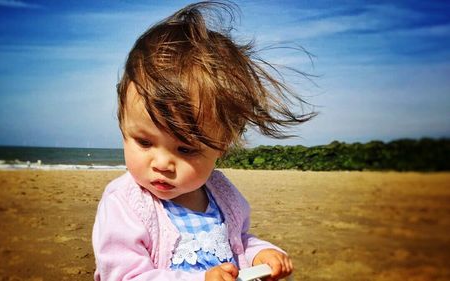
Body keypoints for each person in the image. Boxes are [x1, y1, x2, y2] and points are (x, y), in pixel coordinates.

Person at [92, 2, 314, 280]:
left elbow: (238, 241)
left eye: (185, 149)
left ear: (221, 146)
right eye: (144, 143)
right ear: (123, 126)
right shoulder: (125, 202)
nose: (161, 163)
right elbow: (125, 275)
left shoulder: (221, 194)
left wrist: (260, 252)